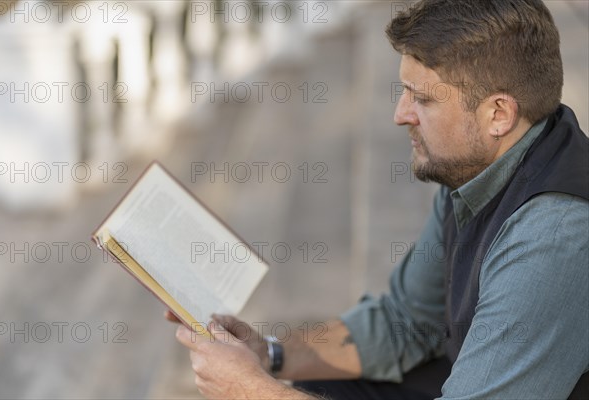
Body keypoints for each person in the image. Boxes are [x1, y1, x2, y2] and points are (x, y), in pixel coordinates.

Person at [166, 0, 589, 398]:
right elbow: (404, 322)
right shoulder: (479, 164)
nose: (401, 113)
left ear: (498, 114)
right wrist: (269, 355)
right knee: (322, 382)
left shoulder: (553, 236)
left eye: (422, 99)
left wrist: (253, 390)